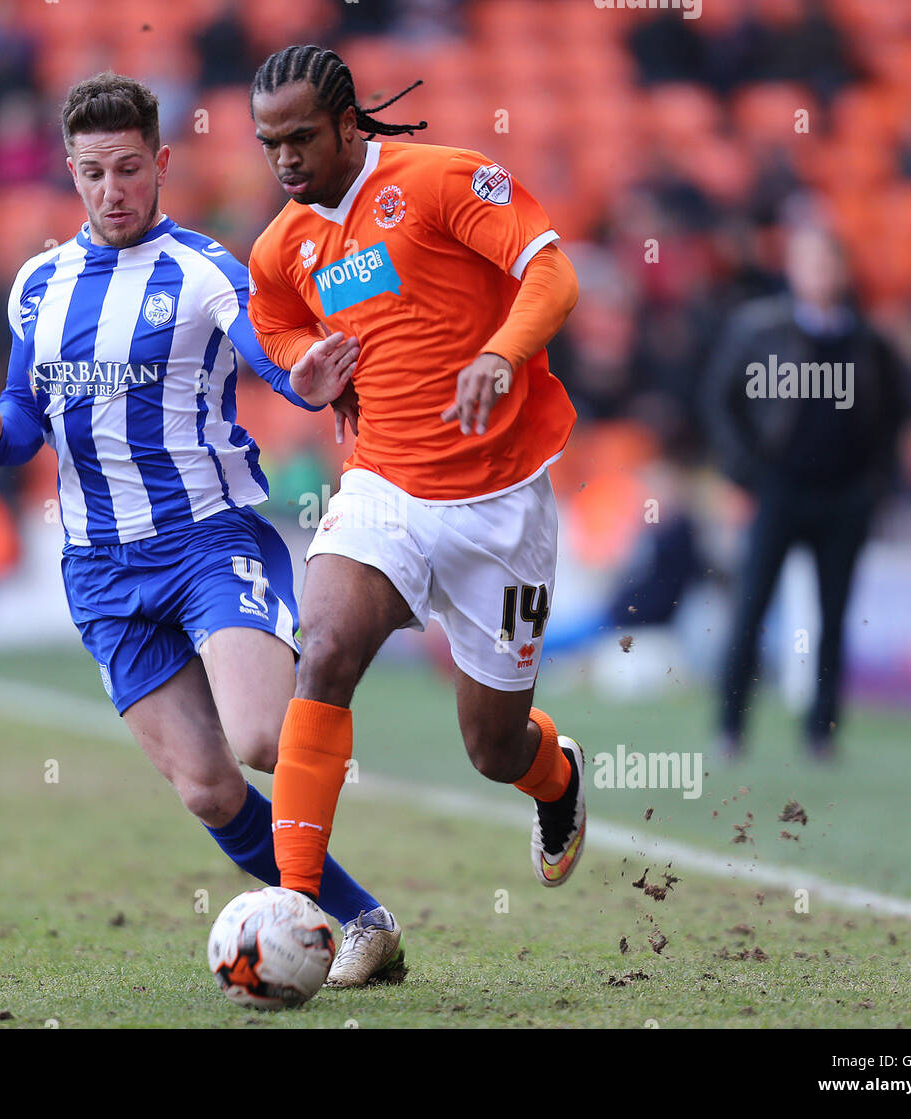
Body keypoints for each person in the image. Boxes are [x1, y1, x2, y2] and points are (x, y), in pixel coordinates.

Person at [0, 72, 400, 987]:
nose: (110, 191)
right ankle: (364, 922)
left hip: (206, 542)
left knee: (262, 740)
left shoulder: (203, 271)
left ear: (159, 164)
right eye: (90, 173)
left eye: (126, 169)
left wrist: (302, 380)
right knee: (210, 788)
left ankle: (329, 683)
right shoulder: (38, 287)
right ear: (69, 173)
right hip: (100, 571)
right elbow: (27, 414)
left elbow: (270, 354)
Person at [244, 45, 587, 977]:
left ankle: (556, 775)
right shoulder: (283, 245)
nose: (283, 158)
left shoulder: (440, 182)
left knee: (492, 744)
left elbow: (552, 274)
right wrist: (301, 369)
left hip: (500, 502)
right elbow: (273, 320)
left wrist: (501, 355)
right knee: (325, 649)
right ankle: (298, 903)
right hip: (383, 488)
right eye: (268, 142)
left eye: (301, 137)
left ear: (349, 123)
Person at [702, 221, 907, 761]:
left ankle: (821, 732)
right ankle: (730, 727)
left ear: (842, 270)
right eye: (808, 262)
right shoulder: (759, 330)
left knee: (834, 617)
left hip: (844, 497)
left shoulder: (868, 341)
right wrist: (744, 472)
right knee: (751, 608)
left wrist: (876, 485)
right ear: (792, 270)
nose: (818, 274)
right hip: (778, 491)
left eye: (827, 263)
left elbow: (893, 418)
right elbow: (720, 400)